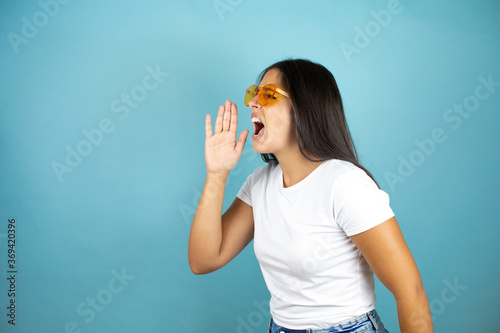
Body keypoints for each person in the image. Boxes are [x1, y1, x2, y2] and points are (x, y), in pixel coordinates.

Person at [188, 59, 433, 333]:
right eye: (254, 93)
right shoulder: (260, 184)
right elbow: (204, 260)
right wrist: (217, 174)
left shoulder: (344, 184)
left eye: (268, 95)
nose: (253, 103)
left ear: (304, 109)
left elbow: (410, 291)